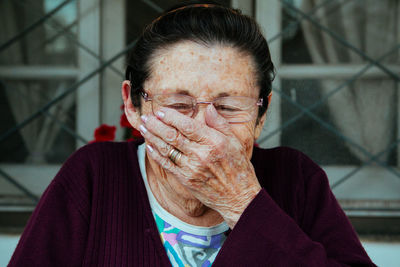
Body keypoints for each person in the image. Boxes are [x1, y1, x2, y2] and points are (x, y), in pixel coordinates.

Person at [9, 1, 375, 266]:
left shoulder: (296, 180)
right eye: (178, 105)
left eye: (229, 106)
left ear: (261, 114)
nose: (203, 127)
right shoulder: (93, 175)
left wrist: (242, 202)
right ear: (132, 106)